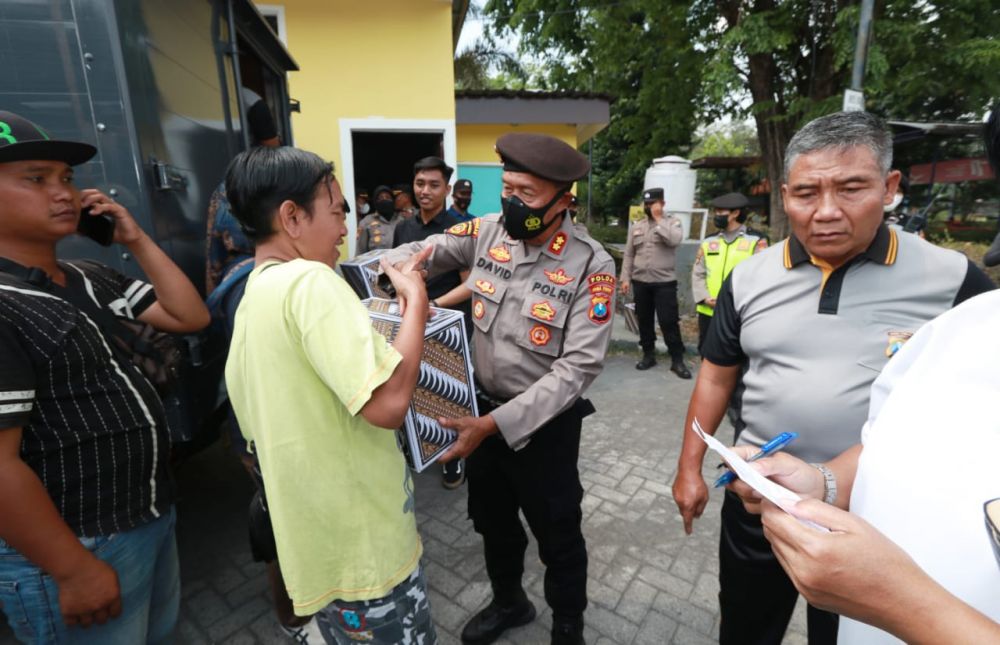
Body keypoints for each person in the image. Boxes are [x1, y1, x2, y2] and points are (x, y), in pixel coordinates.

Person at [670, 110, 994, 645]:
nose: (825, 213)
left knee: (845, 636)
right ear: (783, 194)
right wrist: (689, 470)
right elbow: (714, 377)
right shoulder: (749, 278)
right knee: (747, 628)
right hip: (761, 498)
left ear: (889, 187)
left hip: (877, 515)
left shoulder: (954, 281)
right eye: (806, 193)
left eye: (850, 189)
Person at [385, 132, 616, 645]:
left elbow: (577, 369)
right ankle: (510, 602)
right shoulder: (489, 231)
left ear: (564, 200)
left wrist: (491, 425)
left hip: (543, 430)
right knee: (492, 523)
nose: (511, 203)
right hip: (478, 418)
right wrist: (399, 270)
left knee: (558, 535)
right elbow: (425, 246)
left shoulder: (592, 266)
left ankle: (567, 625)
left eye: (526, 195)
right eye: (507, 189)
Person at [0, 110, 210, 643]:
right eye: (36, 179)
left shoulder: (88, 276)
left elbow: (190, 317)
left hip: (145, 518)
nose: (63, 193)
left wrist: (135, 239)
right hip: (80, 544)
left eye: (66, 178)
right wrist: (72, 569)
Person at [223, 145, 437, 644]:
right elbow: (386, 404)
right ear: (292, 217)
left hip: (320, 551)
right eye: (338, 211)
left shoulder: (253, 294)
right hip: (366, 554)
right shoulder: (311, 282)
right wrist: (416, 304)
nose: (345, 226)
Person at [393, 157, 471, 489]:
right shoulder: (404, 227)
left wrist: (433, 304)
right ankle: (421, 446)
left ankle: (454, 457)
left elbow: (472, 283)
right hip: (412, 324)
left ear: (447, 189)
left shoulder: (461, 228)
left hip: (448, 323)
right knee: (414, 388)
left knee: (451, 394)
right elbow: (397, 271)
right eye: (420, 183)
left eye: (433, 185)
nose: (425, 191)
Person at [619, 187, 691, 378]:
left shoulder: (673, 223)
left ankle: (677, 360)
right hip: (641, 282)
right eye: (647, 204)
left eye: (653, 203)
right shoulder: (637, 226)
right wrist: (625, 278)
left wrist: (659, 220)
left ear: (663, 204)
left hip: (664, 283)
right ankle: (648, 355)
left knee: (669, 321)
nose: (649, 207)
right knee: (644, 320)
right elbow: (629, 254)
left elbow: (675, 241)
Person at [691, 191, 768, 351]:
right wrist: (704, 298)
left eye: (720, 212)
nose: (716, 215)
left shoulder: (755, 240)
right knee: (706, 350)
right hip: (708, 310)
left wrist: (739, 301)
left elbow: (761, 276)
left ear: (735, 213)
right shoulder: (709, 241)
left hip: (737, 311)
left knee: (734, 354)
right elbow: (698, 272)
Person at [356, 184, 398, 253]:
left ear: (393, 200)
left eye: (388, 197)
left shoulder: (402, 220)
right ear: (375, 202)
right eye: (380, 198)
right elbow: (360, 252)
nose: (384, 200)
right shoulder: (366, 222)